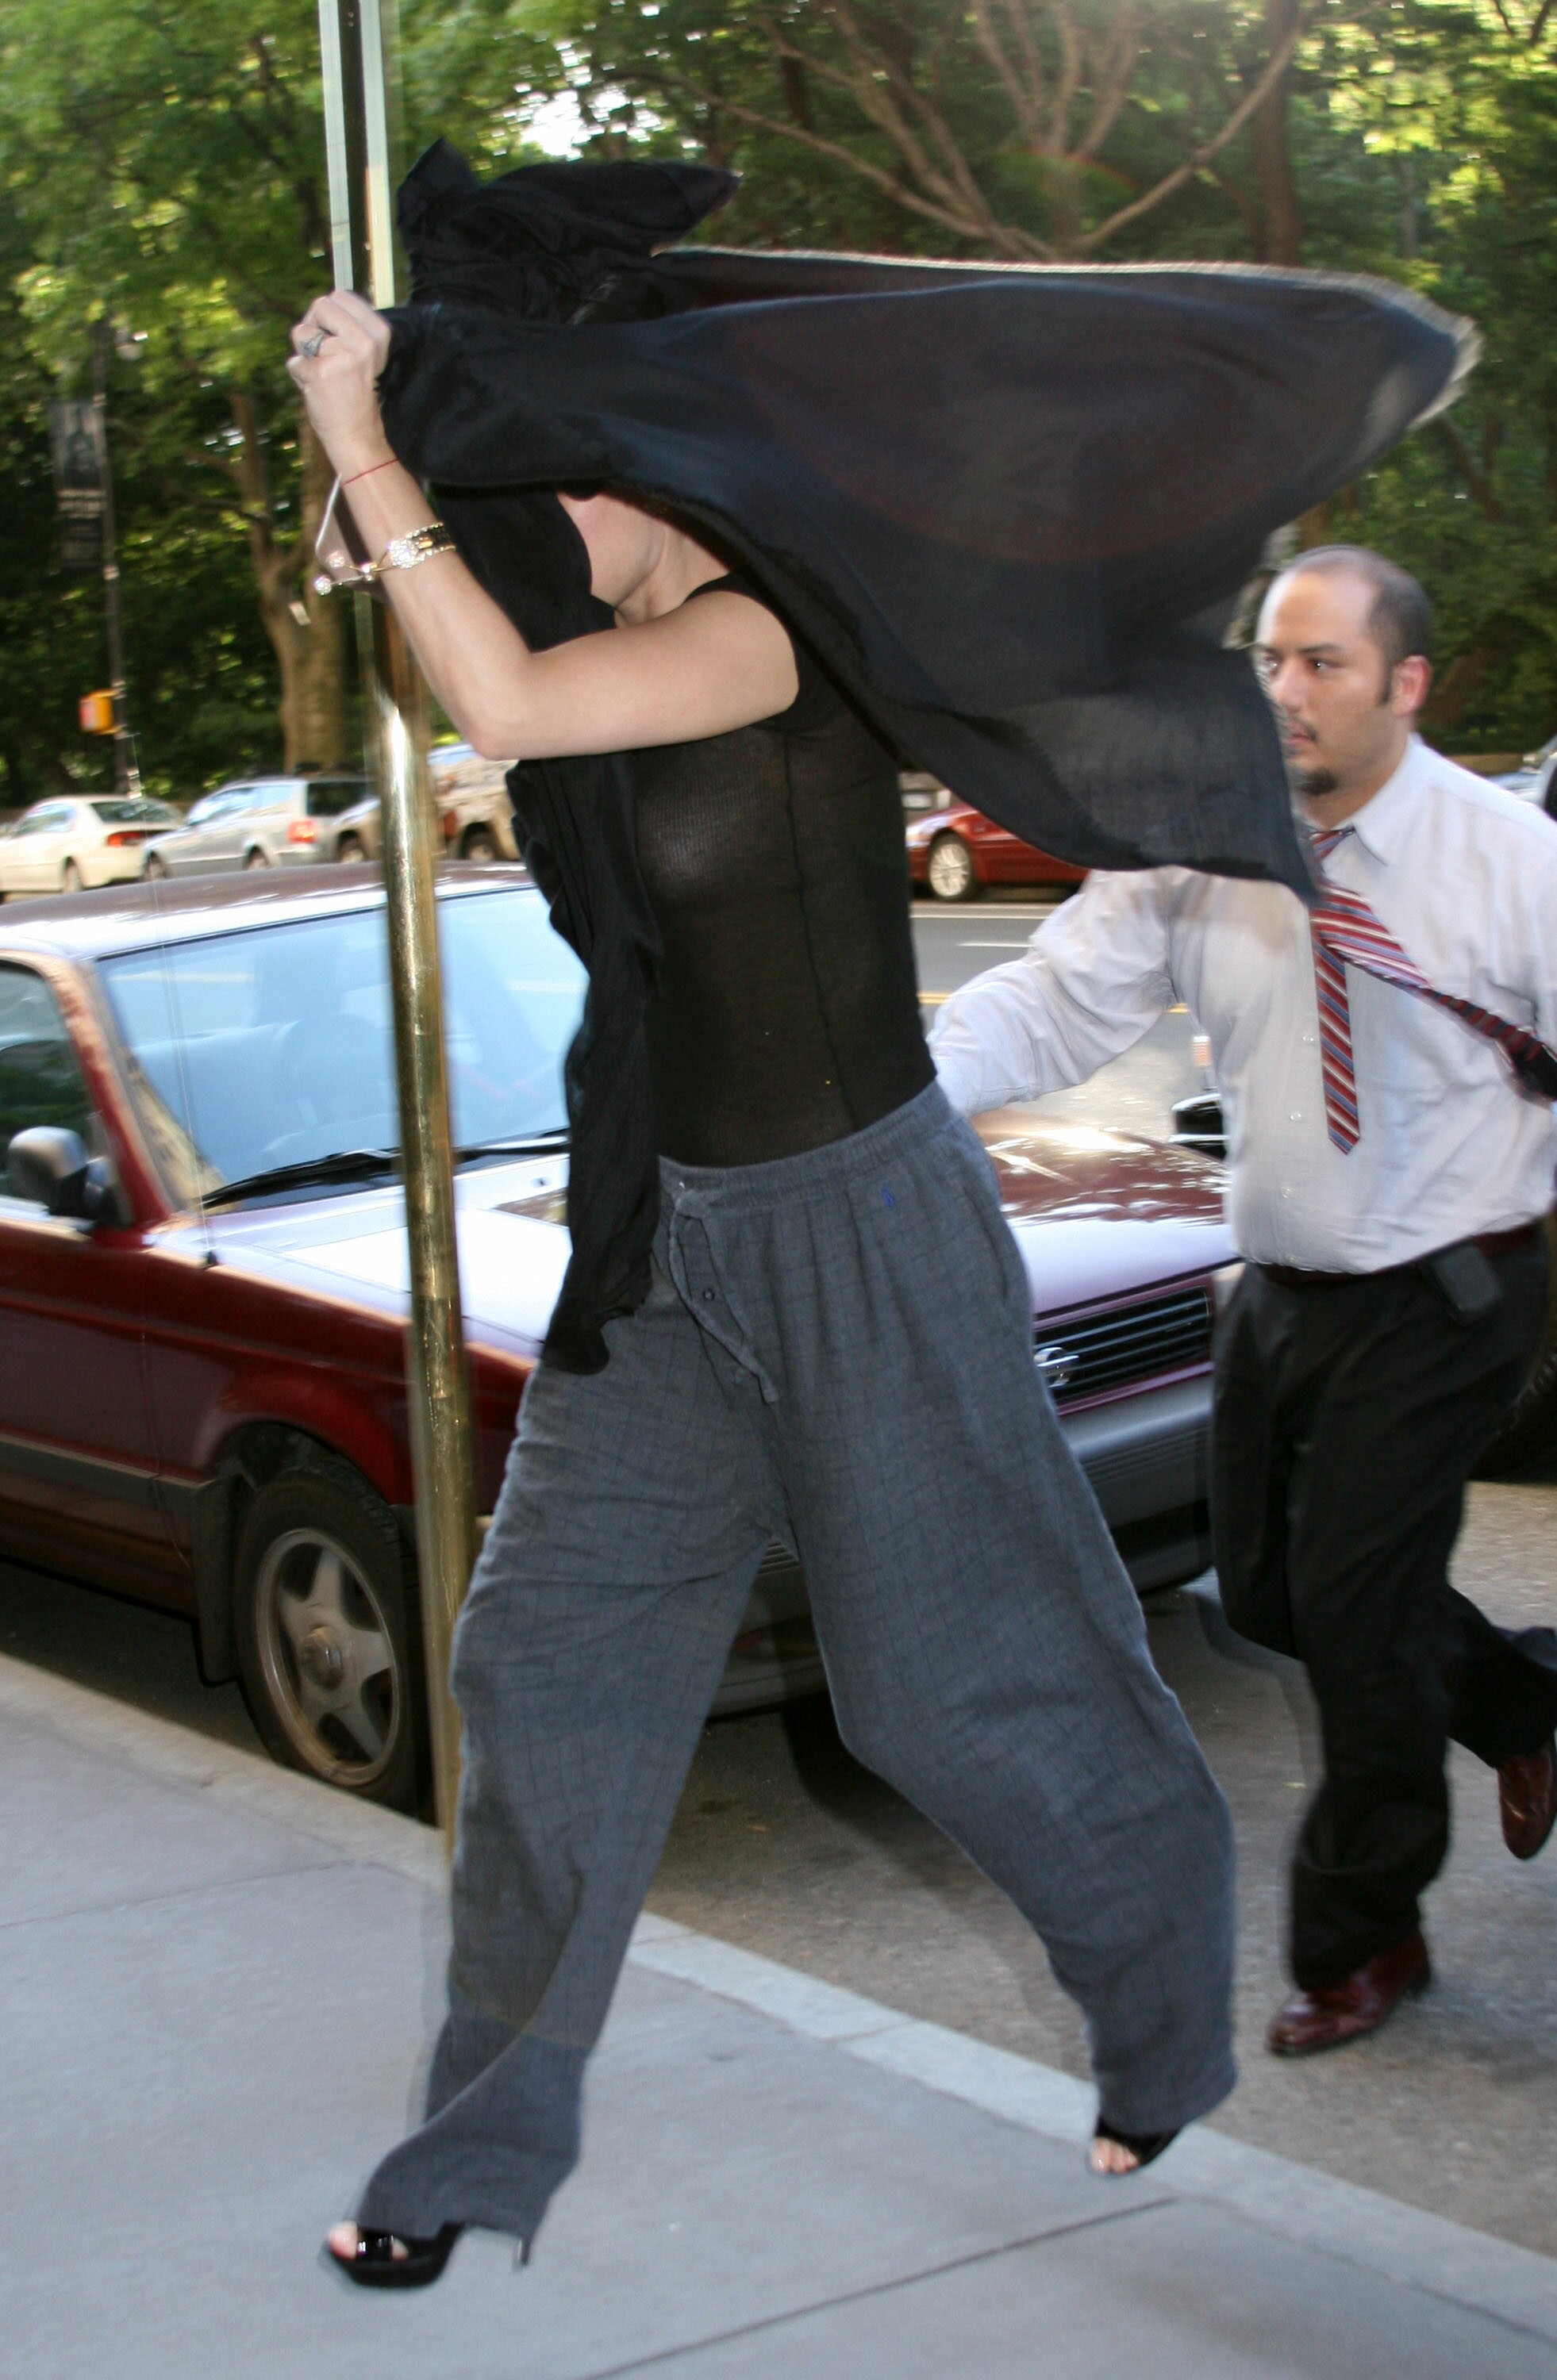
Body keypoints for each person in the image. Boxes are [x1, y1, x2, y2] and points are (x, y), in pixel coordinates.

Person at [287, 282, 1239, 2288]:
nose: (510, 524)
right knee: (539, 1667)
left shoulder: (769, 623)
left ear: (621, 459)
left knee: (942, 1691)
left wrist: (372, 454)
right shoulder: (591, 628)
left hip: (856, 1226)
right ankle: (479, 2149)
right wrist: (363, 489)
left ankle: (1162, 1992)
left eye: (522, 484)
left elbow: (504, 709)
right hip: (669, 1241)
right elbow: (487, 670)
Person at [932, 544, 1557, 2063]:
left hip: (1451, 1287)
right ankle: (1523, 1706)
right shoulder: (1198, 837)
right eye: (1268, 660)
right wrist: (907, 1087)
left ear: (1405, 686)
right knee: (1268, 1595)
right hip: (1277, 1281)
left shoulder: (1507, 861)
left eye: (1321, 663)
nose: (1281, 691)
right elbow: (1061, 995)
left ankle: (1361, 1934)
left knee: (1354, 1613)